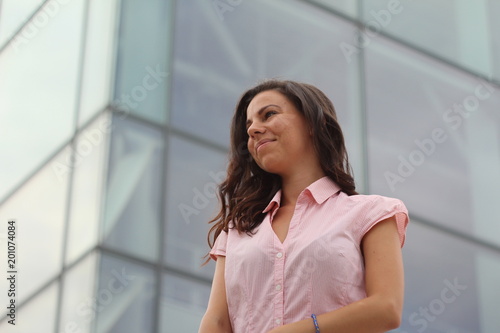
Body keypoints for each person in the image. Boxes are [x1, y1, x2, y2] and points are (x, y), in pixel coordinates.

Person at [198, 79, 409, 333]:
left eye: (269, 114)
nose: (254, 129)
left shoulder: (371, 213)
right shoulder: (238, 229)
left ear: (312, 123)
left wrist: (297, 330)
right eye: (249, 125)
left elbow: (386, 308)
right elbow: (217, 322)